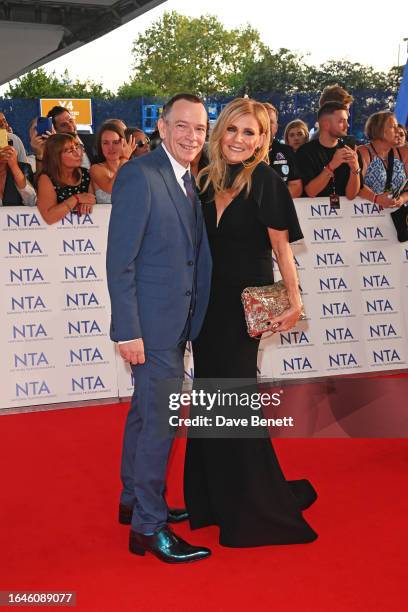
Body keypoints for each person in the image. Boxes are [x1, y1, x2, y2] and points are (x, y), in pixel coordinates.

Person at [184, 97, 318, 548]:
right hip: (207, 304)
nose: (239, 139)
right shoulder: (204, 179)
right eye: (233, 130)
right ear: (220, 132)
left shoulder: (265, 182)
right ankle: (212, 497)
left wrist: (295, 302)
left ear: (262, 141)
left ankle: (251, 503)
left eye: (251, 133)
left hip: (244, 306)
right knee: (208, 394)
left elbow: (283, 251)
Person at [106, 93, 212, 563]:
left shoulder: (190, 181)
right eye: (183, 126)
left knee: (144, 414)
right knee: (161, 425)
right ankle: (149, 528)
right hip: (149, 329)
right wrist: (127, 331)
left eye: (201, 129)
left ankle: (133, 501)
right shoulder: (139, 175)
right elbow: (120, 261)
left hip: (175, 321)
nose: (192, 137)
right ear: (163, 128)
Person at [296, 101, 362, 199]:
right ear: (326, 124)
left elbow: (351, 195)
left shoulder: (350, 150)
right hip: (314, 212)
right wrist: (332, 166)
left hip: (345, 212)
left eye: (346, 120)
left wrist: (355, 169)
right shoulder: (305, 152)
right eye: (341, 121)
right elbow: (311, 192)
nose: (347, 125)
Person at [37, 133, 95, 224]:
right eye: (70, 151)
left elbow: (90, 198)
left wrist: (87, 204)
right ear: (56, 156)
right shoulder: (46, 178)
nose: (78, 153)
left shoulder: (86, 173)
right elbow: (49, 217)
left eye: (77, 147)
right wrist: (77, 198)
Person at [357, 111, 408, 208]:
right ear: (379, 130)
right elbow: (356, 186)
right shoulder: (363, 152)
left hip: (397, 216)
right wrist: (376, 198)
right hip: (366, 215)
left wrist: (402, 199)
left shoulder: (403, 152)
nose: (398, 130)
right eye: (393, 127)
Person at [263, 103, 302, 198]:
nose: (267, 125)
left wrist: (273, 203)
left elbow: (296, 186)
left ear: (276, 127)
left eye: (271, 122)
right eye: (263, 121)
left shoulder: (286, 151)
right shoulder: (244, 152)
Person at [90, 122, 129, 204]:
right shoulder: (96, 168)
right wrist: (124, 158)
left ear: (124, 144)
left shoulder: (134, 167)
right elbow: (112, 188)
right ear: (100, 146)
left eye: (115, 142)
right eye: (105, 143)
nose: (111, 148)